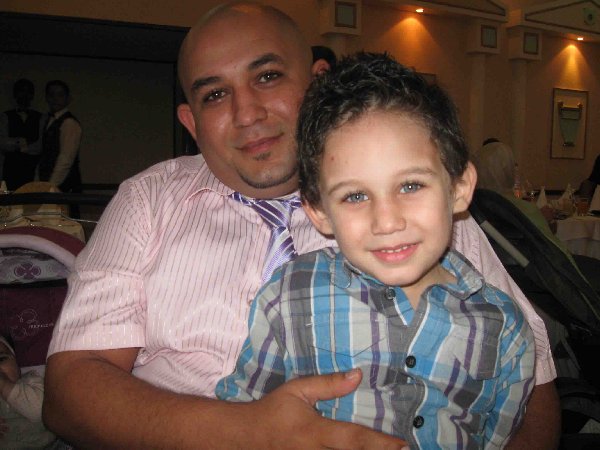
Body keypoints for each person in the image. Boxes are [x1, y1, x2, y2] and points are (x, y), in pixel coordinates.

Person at [43, 2, 559, 449]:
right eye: (215, 95)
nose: (247, 113)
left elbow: (532, 390)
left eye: (267, 76)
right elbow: (69, 394)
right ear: (191, 123)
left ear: (317, 82)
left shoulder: (418, 211)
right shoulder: (148, 201)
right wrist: (247, 433)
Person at [216, 52, 535, 448]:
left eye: (410, 186)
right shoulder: (288, 297)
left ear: (459, 188)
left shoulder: (505, 328)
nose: (386, 221)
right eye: (355, 196)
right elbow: (243, 419)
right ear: (319, 213)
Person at [0, 335, 56, 448]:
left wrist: (4, 385)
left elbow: (40, 411)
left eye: (1, 359)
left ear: (16, 362)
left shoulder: (33, 382)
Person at [37, 80, 82, 194]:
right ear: (46, 98)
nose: (55, 99)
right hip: (50, 183)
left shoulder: (69, 123)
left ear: (68, 98)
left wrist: (50, 187)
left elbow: (65, 159)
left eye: (60, 95)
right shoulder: (48, 120)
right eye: (51, 95)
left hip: (63, 186)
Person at [0, 78, 44, 190]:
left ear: (32, 95)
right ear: (15, 94)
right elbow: (3, 143)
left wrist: (15, 144)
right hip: (10, 168)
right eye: (21, 91)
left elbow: (39, 146)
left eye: (28, 92)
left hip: (32, 169)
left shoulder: (41, 117)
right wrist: (25, 142)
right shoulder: (5, 116)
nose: (25, 95)